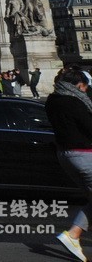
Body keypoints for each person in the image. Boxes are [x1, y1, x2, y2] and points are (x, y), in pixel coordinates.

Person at [46, 67, 92, 261]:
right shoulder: (74, 102)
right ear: (78, 85)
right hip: (84, 154)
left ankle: (73, 235)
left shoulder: (52, 100)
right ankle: (72, 234)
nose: (86, 91)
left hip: (65, 155)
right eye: (85, 87)